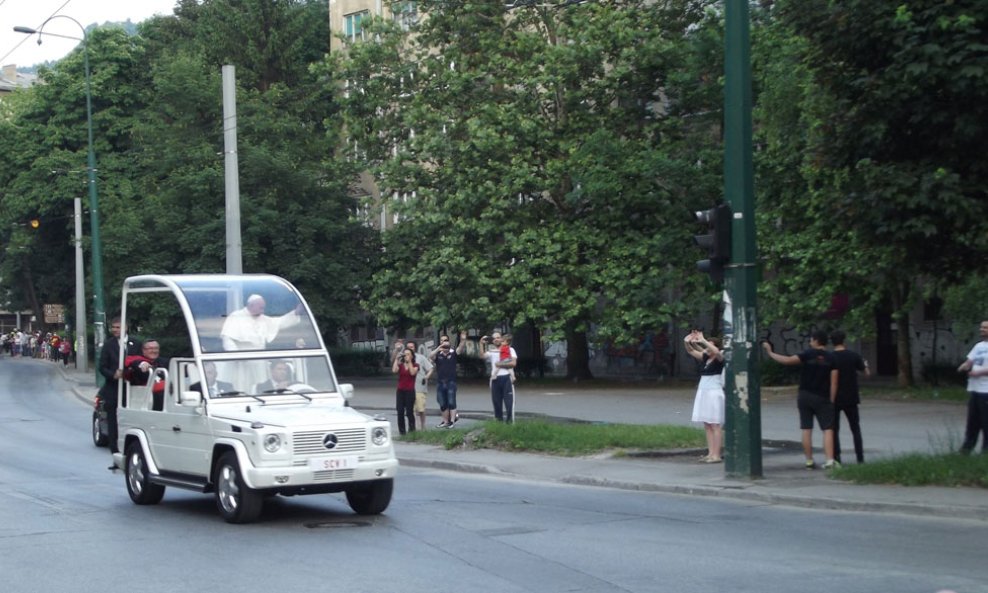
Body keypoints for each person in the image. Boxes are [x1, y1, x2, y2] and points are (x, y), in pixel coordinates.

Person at [762, 330, 840, 469]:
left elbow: (787, 360)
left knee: (806, 428)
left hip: (805, 395)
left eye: (811, 339)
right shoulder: (831, 358)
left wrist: (770, 352)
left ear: (815, 340)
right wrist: (831, 400)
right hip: (823, 396)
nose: (810, 341)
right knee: (828, 429)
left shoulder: (807, 354)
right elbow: (834, 382)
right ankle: (829, 460)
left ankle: (809, 460)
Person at [98, 317, 143, 466]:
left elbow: (140, 361)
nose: (115, 330)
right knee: (114, 422)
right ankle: (116, 454)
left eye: (118, 327)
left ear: (126, 328)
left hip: (131, 389)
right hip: (113, 389)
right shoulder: (108, 345)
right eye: (113, 327)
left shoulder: (135, 344)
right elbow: (102, 366)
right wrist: (113, 375)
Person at [684, 330, 725, 463]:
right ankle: (710, 453)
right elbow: (691, 351)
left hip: (714, 391)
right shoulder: (706, 358)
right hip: (704, 391)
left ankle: (717, 455)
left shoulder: (720, 357)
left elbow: (716, 351)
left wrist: (703, 341)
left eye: (710, 345)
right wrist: (687, 341)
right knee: (707, 424)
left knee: (715, 424)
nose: (707, 348)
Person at [830, 330, 869, 464]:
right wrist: (866, 364)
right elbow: (866, 373)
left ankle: (837, 458)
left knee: (835, 429)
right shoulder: (853, 356)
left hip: (835, 398)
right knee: (855, 428)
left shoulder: (830, 357)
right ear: (844, 340)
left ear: (832, 342)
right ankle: (860, 457)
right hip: (851, 397)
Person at [957, 320, 988, 455]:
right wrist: (964, 366)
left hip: (986, 390)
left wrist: (978, 372)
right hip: (975, 389)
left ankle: (986, 451)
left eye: (985, 328)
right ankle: (966, 449)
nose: (982, 329)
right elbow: (970, 360)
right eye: (981, 327)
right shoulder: (978, 346)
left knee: (986, 422)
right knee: (972, 422)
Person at [430, 331, 466, 428]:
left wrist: (463, 339)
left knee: (451, 401)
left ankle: (452, 421)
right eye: (441, 341)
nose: (443, 342)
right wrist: (439, 348)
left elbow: (460, 348)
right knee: (442, 402)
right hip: (440, 382)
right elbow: (430, 356)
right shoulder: (438, 354)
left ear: (449, 341)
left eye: (445, 340)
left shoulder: (453, 353)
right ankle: (445, 421)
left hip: (451, 381)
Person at [480, 331, 517, 422]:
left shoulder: (510, 349)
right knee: (496, 403)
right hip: (495, 379)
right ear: (492, 341)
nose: (496, 339)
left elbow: (513, 363)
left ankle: (510, 424)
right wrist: (481, 344)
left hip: (506, 377)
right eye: (494, 338)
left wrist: (499, 364)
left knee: (509, 403)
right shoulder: (492, 352)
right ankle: (498, 423)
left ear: (502, 339)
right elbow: (482, 356)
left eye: (498, 337)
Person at [125, 339, 170, 412]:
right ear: (143, 350)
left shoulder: (164, 361)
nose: (154, 351)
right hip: (144, 398)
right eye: (151, 348)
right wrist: (142, 364)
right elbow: (135, 363)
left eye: (156, 348)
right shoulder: (136, 360)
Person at [404, 339, 434, 431]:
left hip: (419, 387)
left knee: (421, 409)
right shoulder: (404, 359)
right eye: (408, 347)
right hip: (408, 388)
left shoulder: (420, 358)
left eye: (412, 347)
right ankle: (414, 427)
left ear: (415, 348)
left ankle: (423, 427)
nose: (410, 349)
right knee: (411, 410)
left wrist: (427, 377)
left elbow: (431, 368)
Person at [392, 347, 419, 435]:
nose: (406, 356)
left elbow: (412, 373)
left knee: (409, 412)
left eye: (408, 354)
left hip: (409, 391)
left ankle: (412, 430)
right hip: (400, 391)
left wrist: (409, 362)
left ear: (412, 356)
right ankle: (402, 432)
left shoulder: (416, 365)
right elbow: (394, 370)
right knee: (400, 411)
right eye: (405, 354)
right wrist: (396, 359)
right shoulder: (401, 365)